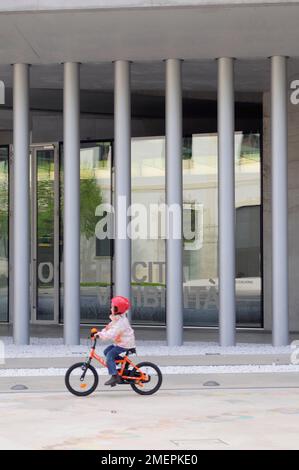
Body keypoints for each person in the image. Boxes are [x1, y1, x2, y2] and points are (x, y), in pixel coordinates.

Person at [95, 296, 136, 386]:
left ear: (118, 309)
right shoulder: (116, 319)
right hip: (120, 343)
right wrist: (99, 333)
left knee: (110, 355)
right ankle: (125, 363)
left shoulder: (121, 322)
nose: (111, 308)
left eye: (112, 307)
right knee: (106, 351)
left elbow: (112, 333)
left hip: (125, 344)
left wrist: (101, 336)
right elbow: (108, 328)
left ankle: (115, 376)